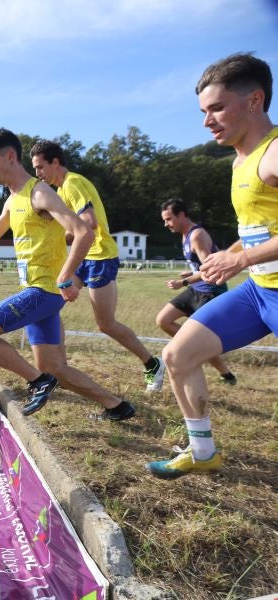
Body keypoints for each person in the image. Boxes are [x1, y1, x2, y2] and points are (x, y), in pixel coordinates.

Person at [146, 53, 278, 479]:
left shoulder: (274, 154)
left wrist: (241, 257)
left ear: (255, 100)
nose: (207, 121)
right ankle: (203, 452)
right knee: (178, 355)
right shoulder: (241, 160)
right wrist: (228, 259)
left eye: (217, 108)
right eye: (204, 111)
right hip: (259, 291)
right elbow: (261, 229)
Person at [0, 128, 136, 420]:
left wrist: (66, 277)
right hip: (37, 294)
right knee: (54, 366)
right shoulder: (13, 199)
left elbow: (83, 232)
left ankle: (38, 382)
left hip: (43, 292)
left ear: (10, 156)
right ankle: (117, 406)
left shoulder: (40, 193)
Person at [30, 140, 165, 393]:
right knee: (53, 303)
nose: (38, 174)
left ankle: (152, 363)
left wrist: (63, 237)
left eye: (40, 167)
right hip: (84, 257)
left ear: (55, 162)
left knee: (105, 324)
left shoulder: (73, 183)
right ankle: (60, 370)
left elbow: (89, 222)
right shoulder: (61, 191)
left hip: (100, 256)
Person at [156, 199, 237, 385]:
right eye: (164, 220)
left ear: (182, 215)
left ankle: (226, 374)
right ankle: (195, 348)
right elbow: (201, 265)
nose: (166, 224)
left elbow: (211, 270)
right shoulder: (184, 235)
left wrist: (183, 281)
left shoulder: (196, 236)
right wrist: (192, 273)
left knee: (196, 341)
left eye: (169, 219)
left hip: (211, 292)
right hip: (196, 289)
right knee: (163, 320)